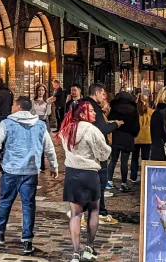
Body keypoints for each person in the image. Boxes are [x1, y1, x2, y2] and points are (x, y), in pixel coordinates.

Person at [0, 96, 59, 256]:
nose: (12, 107)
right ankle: (27, 240)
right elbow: (49, 148)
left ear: (19, 107)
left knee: (5, 202)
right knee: (28, 205)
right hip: (31, 171)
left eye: (14, 104)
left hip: (11, 169)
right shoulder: (40, 125)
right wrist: (54, 165)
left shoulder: (6, 123)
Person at [58, 100, 111, 262]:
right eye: (91, 111)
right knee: (93, 210)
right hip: (89, 174)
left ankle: (75, 252)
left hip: (72, 174)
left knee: (75, 214)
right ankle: (89, 247)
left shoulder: (66, 130)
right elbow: (104, 154)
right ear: (82, 114)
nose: (95, 113)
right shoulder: (92, 131)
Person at [85, 84, 122, 224]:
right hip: (96, 151)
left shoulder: (85, 104)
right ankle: (99, 211)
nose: (104, 97)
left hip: (86, 151)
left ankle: (91, 210)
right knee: (100, 181)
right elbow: (102, 128)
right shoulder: (92, 106)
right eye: (103, 94)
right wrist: (115, 124)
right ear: (97, 93)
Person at [106, 90, 140, 192]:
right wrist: (134, 134)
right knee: (124, 162)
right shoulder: (133, 109)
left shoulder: (114, 108)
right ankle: (123, 183)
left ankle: (109, 181)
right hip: (128, 137)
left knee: (113, 160)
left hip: (116, 136)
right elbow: (136, 126)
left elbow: (110, 121)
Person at [130, 94, 153, 183]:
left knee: (134, 158)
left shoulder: (134, 111)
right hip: (147, 137)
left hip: (136, 137)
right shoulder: (151, 112)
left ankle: (133, 177)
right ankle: (145, 176)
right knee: (145, 159)